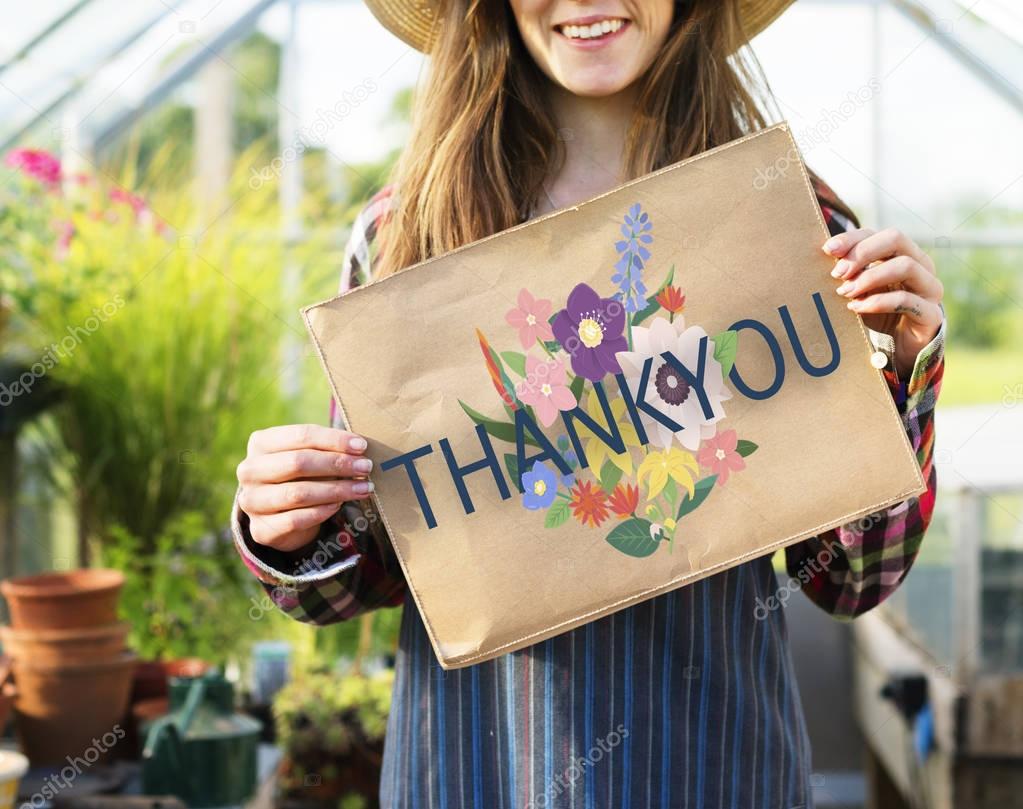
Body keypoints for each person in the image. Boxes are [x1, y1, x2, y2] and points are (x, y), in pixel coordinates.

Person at [233, 1, 946, 806]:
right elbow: (367, 575)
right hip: (480, 770)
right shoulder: (406, 233)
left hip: (713, 767)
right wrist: (292, 524)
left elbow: (849, 578)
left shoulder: (790, 221)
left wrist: (904, 370)